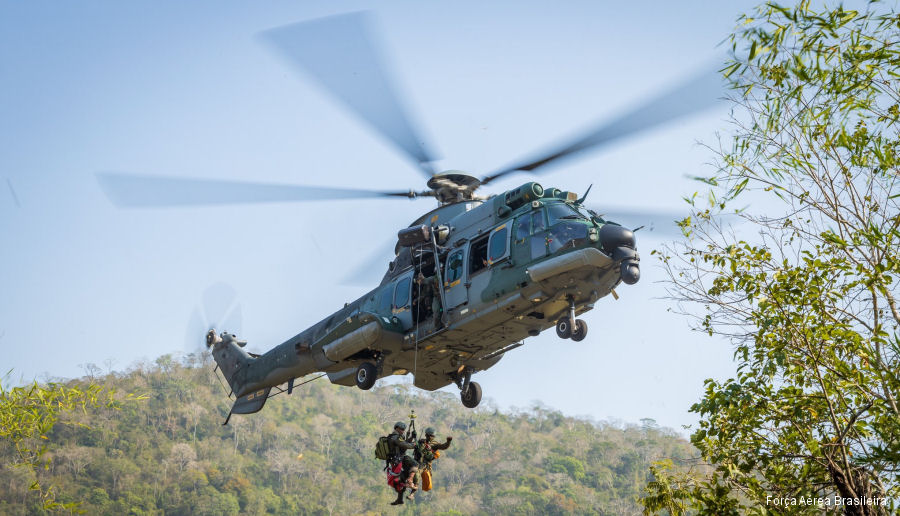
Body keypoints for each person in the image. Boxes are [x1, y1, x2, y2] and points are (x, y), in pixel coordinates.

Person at [386, 421, 417, 505]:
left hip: (397, 459)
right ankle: (410, 480)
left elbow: (404, 444)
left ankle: (400, 499)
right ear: (396, 428)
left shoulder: (394, 437)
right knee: (414, 465)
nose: (403, 431)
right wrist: (414, 444)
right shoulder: (395, 437)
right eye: (401, 429)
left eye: (404, 429)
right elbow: (405, 445)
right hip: (397, 460)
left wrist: (411, 438)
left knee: (402, 476)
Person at [414, 427, 452, 492]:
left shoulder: (434, 444)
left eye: (432, 436)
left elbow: (444, 446)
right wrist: (416, 441)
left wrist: (448, 442)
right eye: (429, 435)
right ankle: (412, 487)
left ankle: (414, 489)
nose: (430, 437)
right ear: (426, 435)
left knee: (427, 484)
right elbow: (413, 446)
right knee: (413, 473)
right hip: (417, 461)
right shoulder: (421, 441)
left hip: (425, 464)